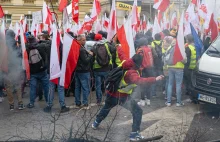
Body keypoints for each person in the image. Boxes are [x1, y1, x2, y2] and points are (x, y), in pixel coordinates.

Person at [92, 54, 164, 141]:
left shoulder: (125, 62)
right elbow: (138, 81)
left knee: (106, 108)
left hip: (111, 93)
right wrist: (155, 79)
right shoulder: (131, 72)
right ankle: (134, 135)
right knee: (138, 111)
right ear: (138, 64)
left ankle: (95, 123)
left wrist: (118, 46)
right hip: (122, 96)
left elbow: (122, 54)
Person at [43, 33, 70, 113]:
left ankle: (49, 105)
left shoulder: (48, 46)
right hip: (59, 69)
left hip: (51, 70)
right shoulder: (62, 46)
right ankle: (62, 106)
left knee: (51, 88)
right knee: (60, 88)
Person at [26, 34, 50, 109]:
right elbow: (45, 57)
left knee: (33, 88)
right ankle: (48, 103)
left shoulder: (27, 48)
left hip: (33, 72)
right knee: (46, 87)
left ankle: (31, 103)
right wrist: (45, 67)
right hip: (42, 71)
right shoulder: (41, 46)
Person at [91, 33, 115, 105]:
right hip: (106, 68)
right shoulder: (107, 45)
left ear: (95, 39)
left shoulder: (94, 46)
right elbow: (114, 50)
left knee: (98, 86)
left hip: (97, 69)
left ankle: (99, 100)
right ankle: (108, 99)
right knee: (107, 84)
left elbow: (91, 57)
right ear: (102, 38)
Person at [4, 29, 25, 110]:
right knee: (18, 86)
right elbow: (19, 55)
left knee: (8, 87)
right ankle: (20, 104)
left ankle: (11, 104)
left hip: (7, 69)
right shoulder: (16, 43)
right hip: (16, 68)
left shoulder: (3, 44)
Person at [74, 34, 93, 109]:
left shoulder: (76, 47)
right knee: (85, 88)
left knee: (77, 87)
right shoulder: (81, 49)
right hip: (84, 71)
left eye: (85, 40)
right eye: (83, 40)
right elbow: (86, 61)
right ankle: (85, 104)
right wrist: (90, 55)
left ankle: (77, 103)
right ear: (78, 40)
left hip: (78, 70)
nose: (85, 41)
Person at [166, 39, 186, 107]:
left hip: (170, 67)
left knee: (170, 84)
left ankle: (168, 102)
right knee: (178, 85)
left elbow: (166, 58)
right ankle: (178, 102)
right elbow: (184, 60)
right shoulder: (181, 49)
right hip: (179, 68)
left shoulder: (169, 48)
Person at [136, 38, 155, 106]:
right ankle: (148, 100)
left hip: (143, 69)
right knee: (148, 84)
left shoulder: (141, 50)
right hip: (150, 69)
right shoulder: (149, 48)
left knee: (142, 85)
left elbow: (138, 60)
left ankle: (142, 100)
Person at [184, 34, 196, 100]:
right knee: (192, 82)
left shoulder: (188, 48)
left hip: (188, 67)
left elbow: (186, 59)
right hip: (194, 67)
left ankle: (190, 97)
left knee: (188, 82)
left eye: (186, 39)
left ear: (188, 40)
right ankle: (193, 96)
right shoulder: (196, 46)